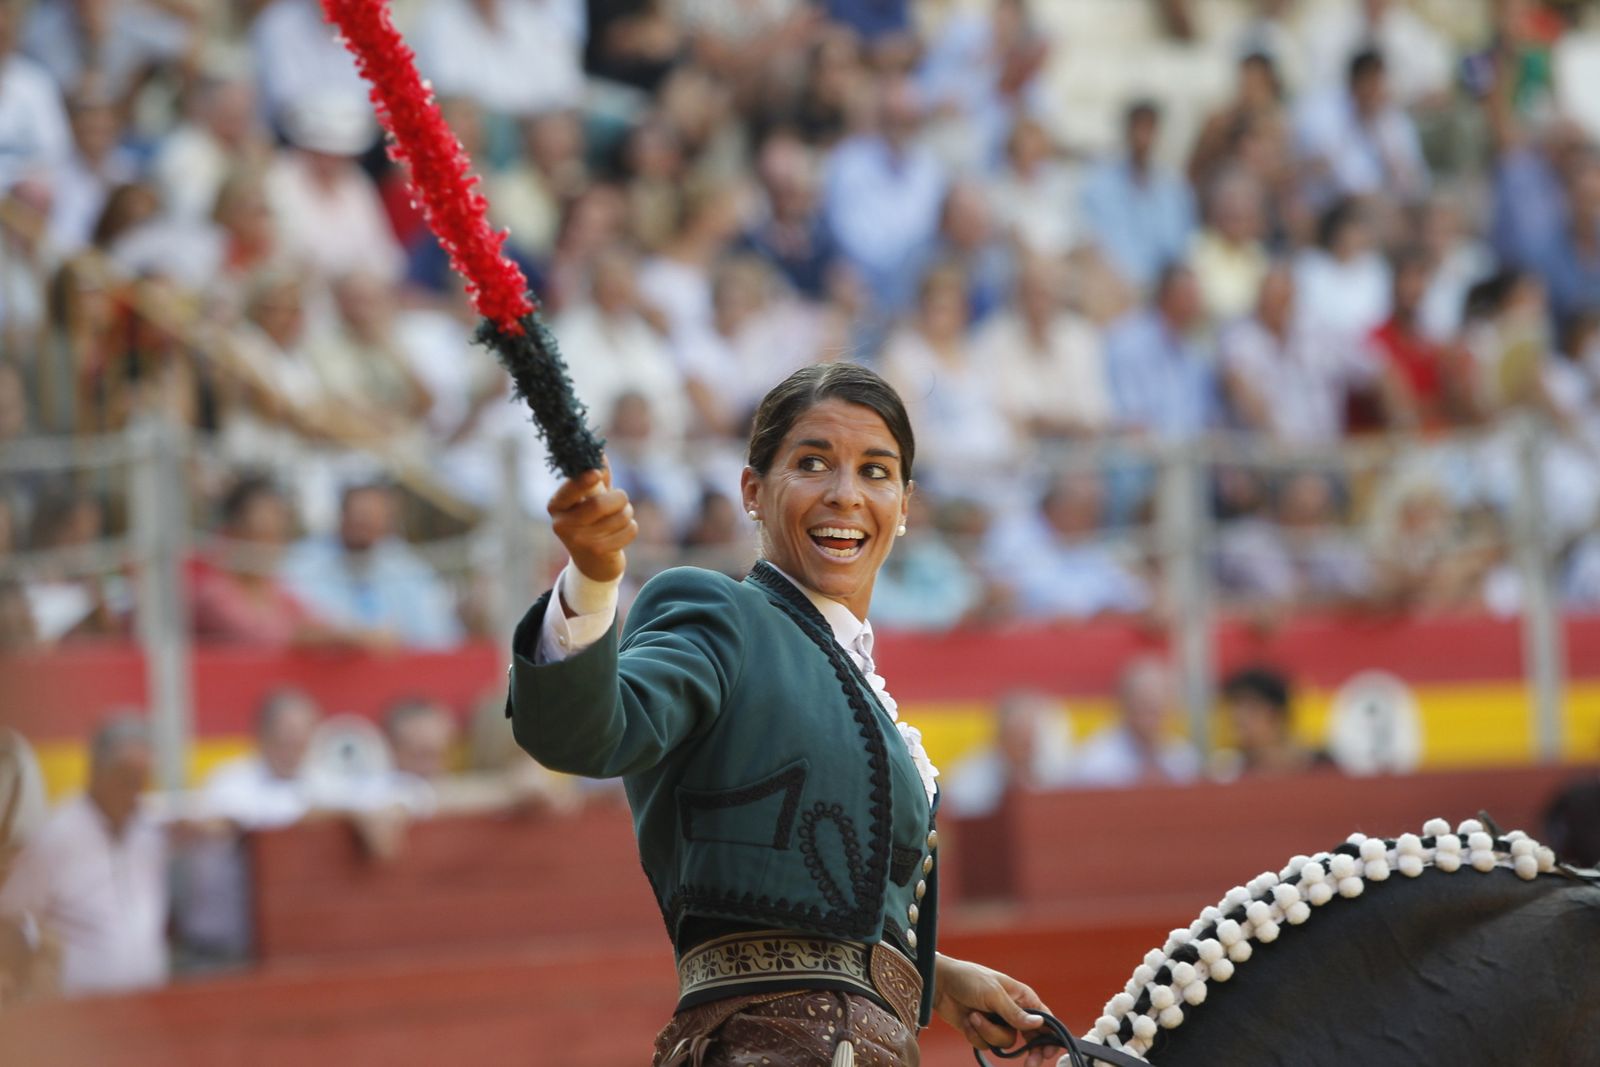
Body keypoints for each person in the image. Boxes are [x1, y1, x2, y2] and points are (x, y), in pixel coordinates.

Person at [507, 363, 1061, 1065]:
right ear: (752, 492)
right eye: (812, 463)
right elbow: (587, 730)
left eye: (875, 471)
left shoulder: (853, 673)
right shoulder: (717, 615)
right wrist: (591, 578)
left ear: (905, 502)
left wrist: (937, 979)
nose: (845, 494)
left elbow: (821, 900)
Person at [0, 715, 168, 997]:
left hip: (149, 1005)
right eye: (126, 778)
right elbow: (10, 916)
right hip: (80, 1014)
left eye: (143, 779)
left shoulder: (148, 832)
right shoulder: (57, 837)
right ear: (97, 772)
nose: (135, 791)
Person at [1073, 655, 1201, 788]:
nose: (1153, 719)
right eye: (1145, 707)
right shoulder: (1096, 764)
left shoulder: (1183, 757)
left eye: (1159, 708)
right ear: (1125, 705)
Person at [1216, 666, 1331, 778]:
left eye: (1250, 708)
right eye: (1235, 708)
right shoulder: (1232, 773)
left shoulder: (1324, 765)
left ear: (1277, 714)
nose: (1239, 717)